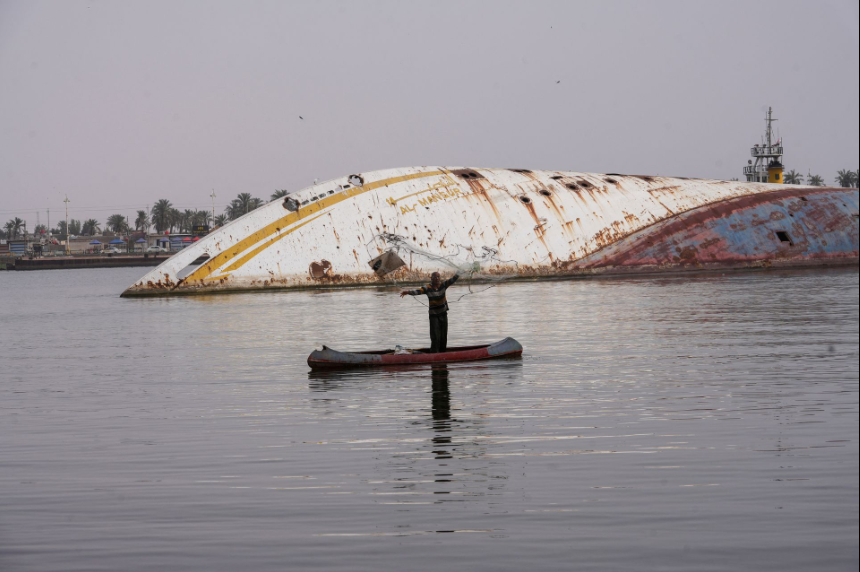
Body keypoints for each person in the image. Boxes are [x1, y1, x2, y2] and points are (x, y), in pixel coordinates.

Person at [400, 271, 460, 353]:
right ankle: (434, 353)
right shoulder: (428, 288)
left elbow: (453, 279)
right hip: (434, 316)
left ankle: (442, 353)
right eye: (435, 277)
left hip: (443, 314)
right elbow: (418, 291)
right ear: (431, 278)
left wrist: (459, 272)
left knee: (443, 336)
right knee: (435, 336)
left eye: (438, 277)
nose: (437, 279)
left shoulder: (443, 285)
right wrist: (408, 292)